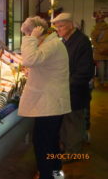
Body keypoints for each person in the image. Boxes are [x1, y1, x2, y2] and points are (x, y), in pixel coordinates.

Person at [18, 16, 71, 179]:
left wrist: (31, 38)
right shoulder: (52, 43)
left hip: (49, 105)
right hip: (50, 103)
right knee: (51, 142)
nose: (29, 38)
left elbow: (29, 59)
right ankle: (55, 174)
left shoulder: (52, 44)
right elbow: (39, 62)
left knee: (44, 144)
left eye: (29, 34)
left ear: (38, 31)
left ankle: (48, 175)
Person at [52, 13, 94, 156]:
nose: (59, 30)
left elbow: (85, 72)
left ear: (70, 25)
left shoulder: (82, 42)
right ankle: (67, 147)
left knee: (74, 123)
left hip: (75, 91)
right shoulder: (65, 41)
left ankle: (73, 152)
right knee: (66, 123)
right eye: (57, 27)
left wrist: (66, 85)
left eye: (61, 26)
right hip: (66, 90)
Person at [90, 12, 108, 86]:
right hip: (107, 49)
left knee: (100, 66)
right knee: (107, 65)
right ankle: (106, 80)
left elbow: (93, 41)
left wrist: (99, 48)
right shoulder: (107, 28)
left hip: (99, 50)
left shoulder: (95, 29)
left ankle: (102, 81)